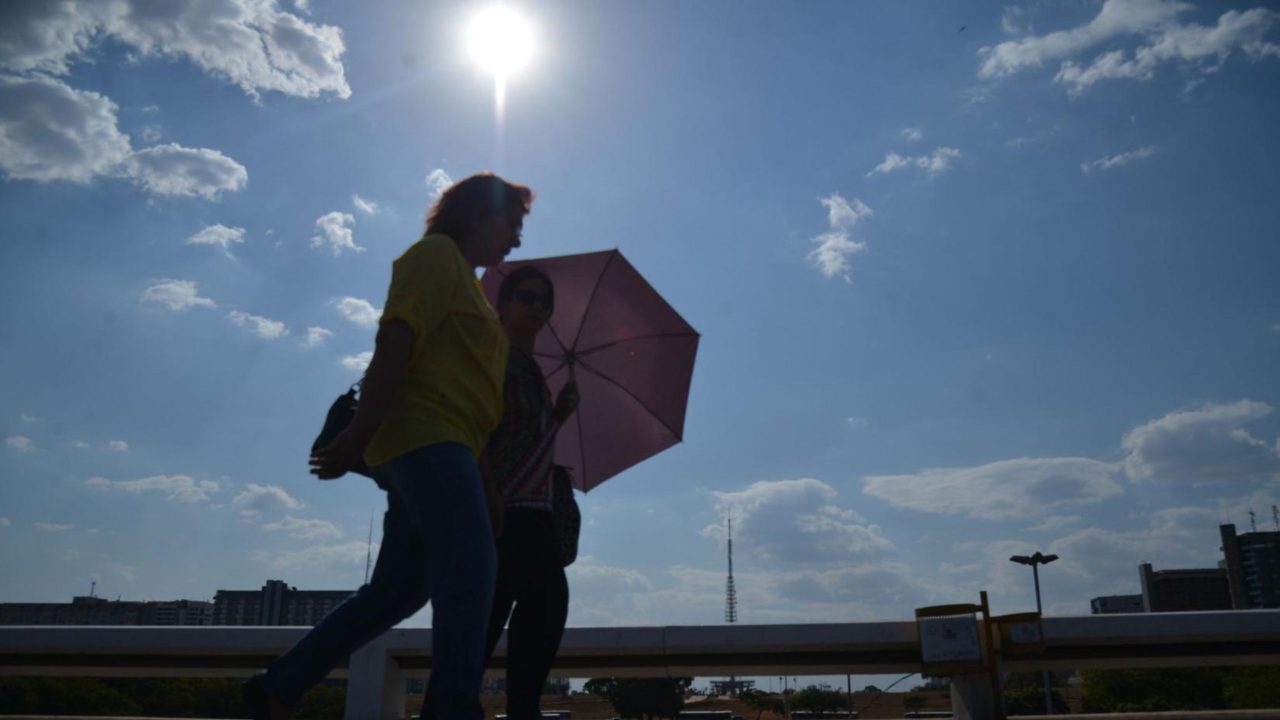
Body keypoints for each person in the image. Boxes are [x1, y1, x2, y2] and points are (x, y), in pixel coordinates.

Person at [243, 172, 534, 720]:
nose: (517, 240)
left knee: (399, 590)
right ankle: (452, 709)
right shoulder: (435, 257)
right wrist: (356, 435)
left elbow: (470, 406)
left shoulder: (471, 287)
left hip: (449, 448)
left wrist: (488, 486)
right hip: (425, 439)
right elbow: (395, 340)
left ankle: (278, 687)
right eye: (512, 224)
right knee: (472, 569)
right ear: (478, 214)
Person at [429, 265, 579, 719]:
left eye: (544, 302)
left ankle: (518, 709)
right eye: (526, 297)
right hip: (496, 513)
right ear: (504, 303)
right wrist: (488, 491)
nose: (537, 307)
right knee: (479, 632)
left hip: (534, 515)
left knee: (541, 616)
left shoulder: (531, 370)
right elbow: (471, 428)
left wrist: (558, 415)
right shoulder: (491, 357)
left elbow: (524, 440)